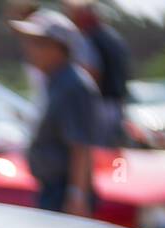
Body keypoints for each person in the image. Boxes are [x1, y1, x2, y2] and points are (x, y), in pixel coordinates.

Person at [10, 10, 97, 216]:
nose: (29, 49)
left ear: (58, 48)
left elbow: (81, 146)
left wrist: (77, 196)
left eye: (38, 43)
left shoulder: (72, 85)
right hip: (52, 188)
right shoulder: (54, 81)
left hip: (63, 192)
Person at [65, 0, 131, 144]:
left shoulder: (88, 37)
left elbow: (92, 72)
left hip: (100, 104)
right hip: (116, 102)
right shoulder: (111, 35)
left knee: (99, 152)